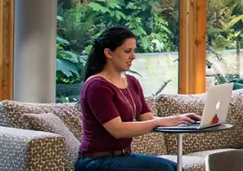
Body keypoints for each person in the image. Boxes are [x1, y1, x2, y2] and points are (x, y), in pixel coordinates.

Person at [76, 27, 199, 171]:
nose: (133, 56)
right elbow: (118, 130)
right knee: (164, 170)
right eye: (127, 51)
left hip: (123, 157)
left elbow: (147, 118)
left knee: (176, 168)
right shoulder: (97, 85)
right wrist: (159, 121)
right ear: (108, 53)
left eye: (133, 50)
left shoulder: (132, 82)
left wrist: (180, 119)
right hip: (95, 161)